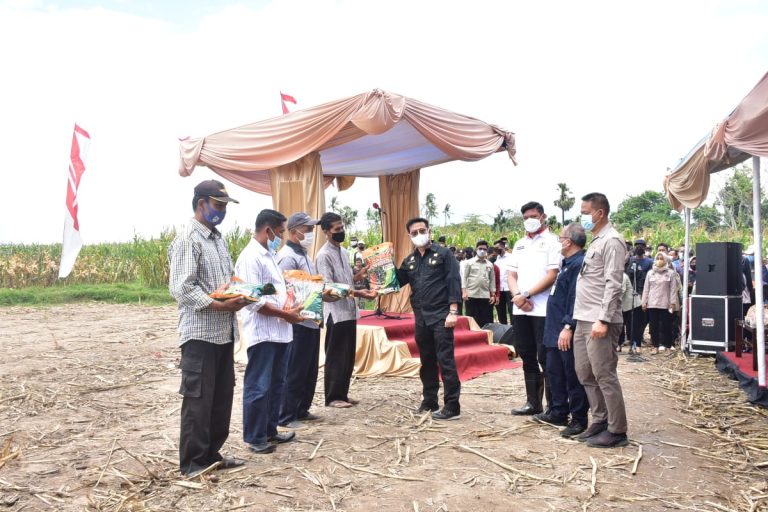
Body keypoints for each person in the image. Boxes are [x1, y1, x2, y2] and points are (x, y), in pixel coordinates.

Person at [168, 180, 248, 477]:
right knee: (198, 400)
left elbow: (221, 283)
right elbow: (183, 288)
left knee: (220, 397)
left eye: (225, 206)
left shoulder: (217, 238)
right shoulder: (189, 239)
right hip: (200, 334)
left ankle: (212, 454)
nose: (223, 211)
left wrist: (236, 294)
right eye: (219, 205)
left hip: (223, 332)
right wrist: (220, 305)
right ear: (201, 204)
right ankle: (193, 463)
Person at [236, 209, 306, 455]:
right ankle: (255, 437)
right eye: (280, 232)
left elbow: (275, 292)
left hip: (280, 331)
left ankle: (269, 430)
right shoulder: (250, 258)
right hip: (263, 333)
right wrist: (285, 314)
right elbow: (252, 300)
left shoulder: (269, 255)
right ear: (268, 230)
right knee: (259, 386)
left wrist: (291, 306)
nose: (281, 236)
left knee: (277, 384)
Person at [572, 192, 629, 448]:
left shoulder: (613, 241)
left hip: (599, 320)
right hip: (583, 318)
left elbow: (614, 283)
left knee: (604, 374)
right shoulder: (596, 241)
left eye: (585, 213)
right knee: (585, 372)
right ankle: (599, 420)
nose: (583, 217)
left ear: (600, 213)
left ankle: (617, 430)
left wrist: (603, 319)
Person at [396, 217, 462, 420]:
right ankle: (429, 399)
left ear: (429, 231)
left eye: (422, 230)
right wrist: (383, 264)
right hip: (421, 318)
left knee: (446, 360)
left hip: (441, 316)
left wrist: (453, 311)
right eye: (414, 233)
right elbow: (397, 282)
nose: (419, 235)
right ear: (409, 236)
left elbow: (453, 281)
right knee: (427, 361)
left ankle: (452, 405)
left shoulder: (444, 254)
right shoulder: (410, 260)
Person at [316, 212, 377, 408]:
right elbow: (329, 287)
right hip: (336, 312)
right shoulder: (323, 255)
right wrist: (360, 294)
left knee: (348, 355)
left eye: (342, 227)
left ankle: (342, 393)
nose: (341, 231)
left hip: (349, 311)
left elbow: (349, 279)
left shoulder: (343, 252)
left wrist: (363, 272)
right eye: (337, 229)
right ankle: (333, 397)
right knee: (336, 355)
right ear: (326, 232)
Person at [534, 223, 589, 438]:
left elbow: (577, 298)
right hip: (554, 328)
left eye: (561, 237)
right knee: (554, 371)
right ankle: (558, 411)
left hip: (565, 329)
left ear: (568, 241)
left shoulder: (579, 264)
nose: (559, 241)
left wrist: (569, 325)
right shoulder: (566, 263)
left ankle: (579, 419)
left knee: (572, 374)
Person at [276, 212, 331, 430]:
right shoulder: (287, 256)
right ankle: (286, 415)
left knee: (309, 368)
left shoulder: (305, 255)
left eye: (310, 229)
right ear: (293, 231)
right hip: (298, 319)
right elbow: (286, 290)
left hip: (311, 317)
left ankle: (302, 409)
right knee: (295, 369)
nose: (309, 233)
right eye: (306, 230)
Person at [507, 201, 561, 415]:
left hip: (543, 308)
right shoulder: (519, 244)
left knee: (545, 357)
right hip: (521, 309)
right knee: (526, 354)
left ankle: (553, 406)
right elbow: (511, 275)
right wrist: (517, 297)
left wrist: (526, 294)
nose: (529, 220)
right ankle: (532, 403)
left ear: (542, 216)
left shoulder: (553, 242)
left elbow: (552, 274)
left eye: (533, 216)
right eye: (525, 217)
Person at [641, 253, 678, 355]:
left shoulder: (670, 273)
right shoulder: (650, 273)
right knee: (653, 327)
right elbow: (646, 289)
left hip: (665, 304)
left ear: (666, 260)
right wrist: (644, 302)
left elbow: (673, 289)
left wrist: (673, 303)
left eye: (661, 258)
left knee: (667, 326)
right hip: (652, 304)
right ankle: (655, 346)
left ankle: (668, 347)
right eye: (657, 258)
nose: (659, 260)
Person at [462, 240, 496, 328]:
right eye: (480, 248)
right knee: (471, 319)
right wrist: (464, 292)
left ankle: (484, 338)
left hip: (485, 295)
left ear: (487, 250)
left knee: (485, 319)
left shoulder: (490, 265)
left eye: (484, 249)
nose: (482, 251)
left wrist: (493, 294)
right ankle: (471, 338)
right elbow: (464, 278)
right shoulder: (469, 263)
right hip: (471, 294)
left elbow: (492, 280)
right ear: (476, 249)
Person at [494, 239, 513, 324]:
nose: (496, 249)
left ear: (503, 247)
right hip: (499, 290)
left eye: (498, 247)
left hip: (509, 288)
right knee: (500, 311)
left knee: (512, 310)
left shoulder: (511, 257)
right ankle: (504, 329)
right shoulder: (496, 259)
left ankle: (513, 330)